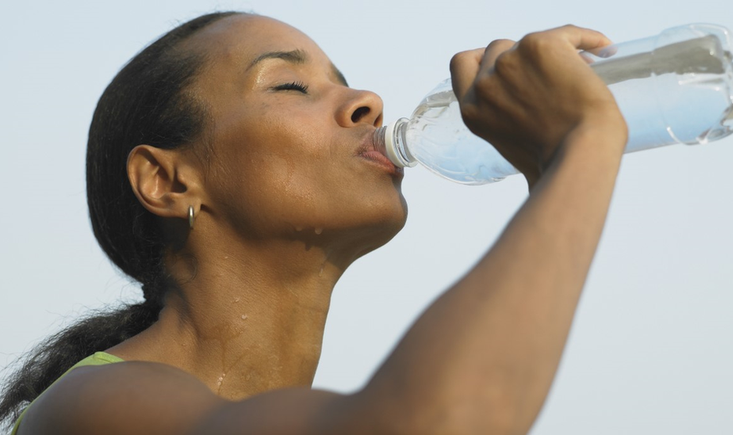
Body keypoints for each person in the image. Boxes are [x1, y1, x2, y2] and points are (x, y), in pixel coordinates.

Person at [0, 11, 627, 435]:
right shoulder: (92, 409)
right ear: (167, 181)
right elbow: (438, 418)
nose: (368, 103)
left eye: (344, 84)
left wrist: (561, 166)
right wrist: (583, 144)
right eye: (291, 86)